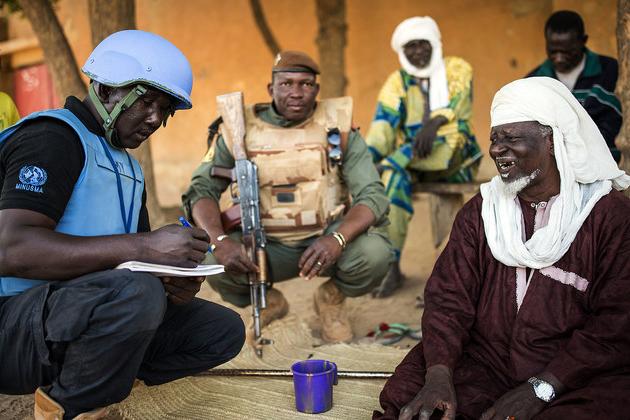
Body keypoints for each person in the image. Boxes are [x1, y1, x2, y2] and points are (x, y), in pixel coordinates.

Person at [0, 30, 245, 420]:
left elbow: (132, 266)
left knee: (221, 330)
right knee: (135, 292)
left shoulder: (128, 168)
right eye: (146, 102)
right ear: (105, 88)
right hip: (13, 326)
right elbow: (11, 249)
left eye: (164, 109)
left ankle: (101, 379)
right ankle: (69, 408)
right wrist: (145, 247)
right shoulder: (53, 137)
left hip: (73, 317)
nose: (155, 119)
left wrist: (172, 284)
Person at [374, 76, 630, 420]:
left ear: (551, 140)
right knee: (408, 393)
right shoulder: (482, 211)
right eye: (495, 139)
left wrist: (542, 387)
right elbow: (448, 299)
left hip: (570, 373)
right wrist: (439, 376)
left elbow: (616, 322)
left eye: (511, 138)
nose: (496, 149)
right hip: (488, 361)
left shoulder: (608, 216)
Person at [183, 50, 392, 344]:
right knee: (210, 259)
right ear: (271, 89)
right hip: (264, 247)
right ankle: (269, 302)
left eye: (306, 84)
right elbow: (201, 189)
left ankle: (331, 299)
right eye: (286, 84)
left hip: (325, 238)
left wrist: (338, 238)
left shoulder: (338, 127)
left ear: (316, 89)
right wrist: (220, 241)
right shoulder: (236, 129)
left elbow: (373, 194)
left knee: (376, 253)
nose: (296, 92)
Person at [367, 16, 482, 298]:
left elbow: (460, 106)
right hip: (414, 161)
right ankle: (391, 264)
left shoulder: (457, 67)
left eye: (423, 44)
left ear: (435, 44)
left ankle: (454, 281)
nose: (418, 52)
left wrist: (434, 123)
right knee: (391, 177)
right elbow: (383, 126)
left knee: (449, 134)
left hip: (456, 160)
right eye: (411, 47)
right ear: (402, 51)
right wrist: (368, 159)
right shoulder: (397, 82)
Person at [527, 10, 622, 162]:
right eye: (553, 51)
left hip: (609, 163)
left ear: (583, 41)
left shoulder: (611, 70)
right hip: (557, 168)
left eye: (567, 52)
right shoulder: (533, 81)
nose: (559, 58)